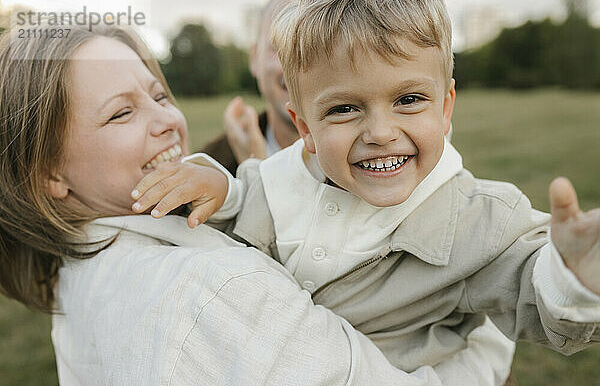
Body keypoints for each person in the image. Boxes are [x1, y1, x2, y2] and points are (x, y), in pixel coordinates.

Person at [130, 0, 600, 385]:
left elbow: (535, 298)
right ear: (306, 128)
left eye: (409, 100)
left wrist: (572, 279)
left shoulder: (481, 220)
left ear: (446, 106)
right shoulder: (279, 181)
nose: (379, 132)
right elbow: (245, 197)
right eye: (344, 109)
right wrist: (217, 183)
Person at [0, 23, 453, 385]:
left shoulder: (73, 277)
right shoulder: (216, 287)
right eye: (121, 113)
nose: (167, 121)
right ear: (47, 173)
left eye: (158, 95)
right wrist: (487, 339)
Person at [199, 0, 300, 175]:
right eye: (280, 45)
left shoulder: (367, 161)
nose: (297, 64)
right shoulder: (207, 169)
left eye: (315, 46)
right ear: (254, 58)